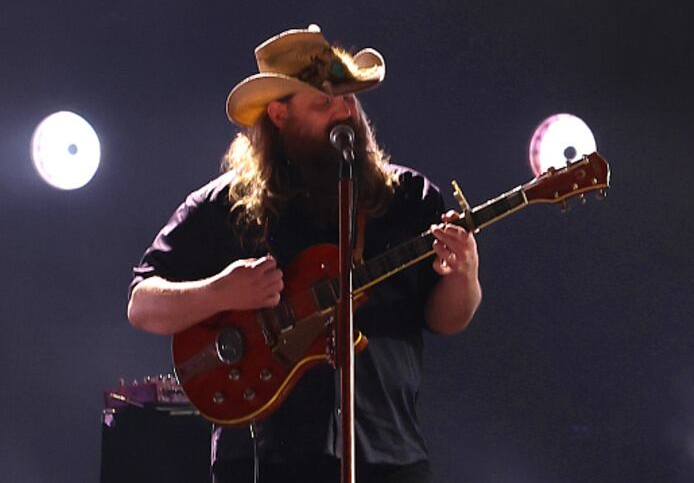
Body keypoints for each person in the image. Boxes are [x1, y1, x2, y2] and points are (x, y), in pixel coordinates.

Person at [127, 25, 482, 483]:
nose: (345, 111)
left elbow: (447, 320)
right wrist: (220, 291)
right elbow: (142, 304)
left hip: (387, 452)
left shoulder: (409, 197)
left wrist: (464, 275)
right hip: (262, 459)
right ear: (279, 115)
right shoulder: (225, 206)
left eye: (349, 97)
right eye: (324, 102)